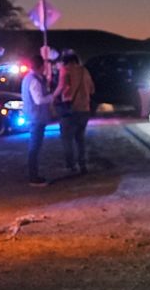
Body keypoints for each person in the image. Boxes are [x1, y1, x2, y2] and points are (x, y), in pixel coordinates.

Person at [54, 48, 95, 175]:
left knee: (67, 139)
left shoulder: (65, 70)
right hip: (85, 109)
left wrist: (53, 97)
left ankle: (71, 165)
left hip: (70, 109)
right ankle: (82, 164)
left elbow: (61, 87)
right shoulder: (85, 71)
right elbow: (92, 89)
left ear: (65, 61)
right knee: (80, 138)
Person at [19, 53, 54, 187]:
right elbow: (38, 100)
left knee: (35, 146)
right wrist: (52, 96)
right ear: (40, 66)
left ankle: (34, 175)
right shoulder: (34, 80)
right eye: (44, 65)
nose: (45, 67)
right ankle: (33, 177)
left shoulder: (29, 78)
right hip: (36, 117)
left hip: (34, 116)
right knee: (34, 147)